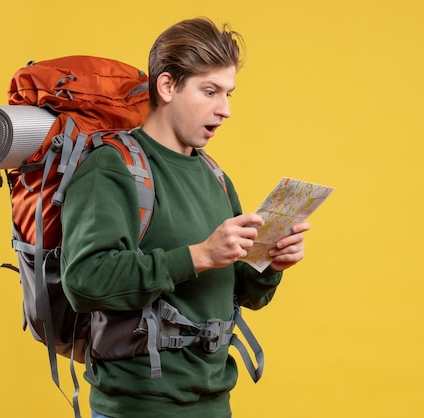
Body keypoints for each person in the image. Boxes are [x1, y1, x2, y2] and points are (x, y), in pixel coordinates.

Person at [60, 17, 311, 418]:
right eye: (209, 91)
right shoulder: (111, 168)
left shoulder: (215, 176)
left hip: (214, 404)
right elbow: (84, 281)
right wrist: (198, 255)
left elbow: (241, 292)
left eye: (228, 93)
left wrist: (269, 264)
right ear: (167, 87)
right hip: (138, 409)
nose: (225, 109)